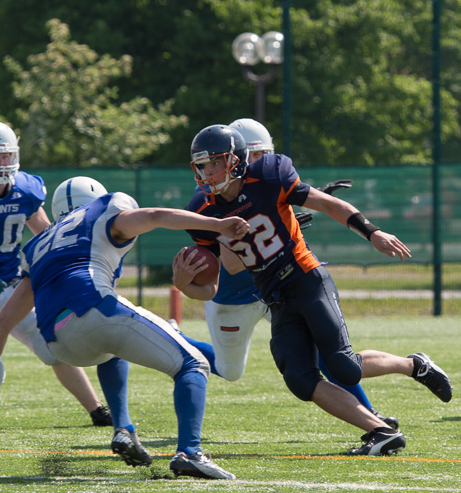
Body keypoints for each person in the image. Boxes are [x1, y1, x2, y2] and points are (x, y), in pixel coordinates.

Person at [177, 124, 452, 457]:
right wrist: (185, 283)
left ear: (235, 160)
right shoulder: (202, 210)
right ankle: (380, 432)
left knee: (343, 366)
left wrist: (372, 232)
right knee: (299, 378)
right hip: (274, 295)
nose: (208, 172)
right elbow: (230, 270)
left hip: (306, 278)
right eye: (202, 165)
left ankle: (414, 365)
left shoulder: (269, 176)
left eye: (215, 162)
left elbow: (330, 205)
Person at [0, 176, 252, 480]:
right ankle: (190, 452)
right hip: (95, 308)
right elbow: (155, 216)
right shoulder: (106, 210)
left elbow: (2, 324)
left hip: (59, 342)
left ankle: (124, 428)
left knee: (113, 346)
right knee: (192, 364)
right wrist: (216, 225)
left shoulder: (37, 245)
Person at [0, 122, 112, 426]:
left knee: (55, 347)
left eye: (5, 156)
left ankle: (96, 410)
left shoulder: (27, 189)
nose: (0, 164)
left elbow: (44, 233)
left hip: (12, 287)